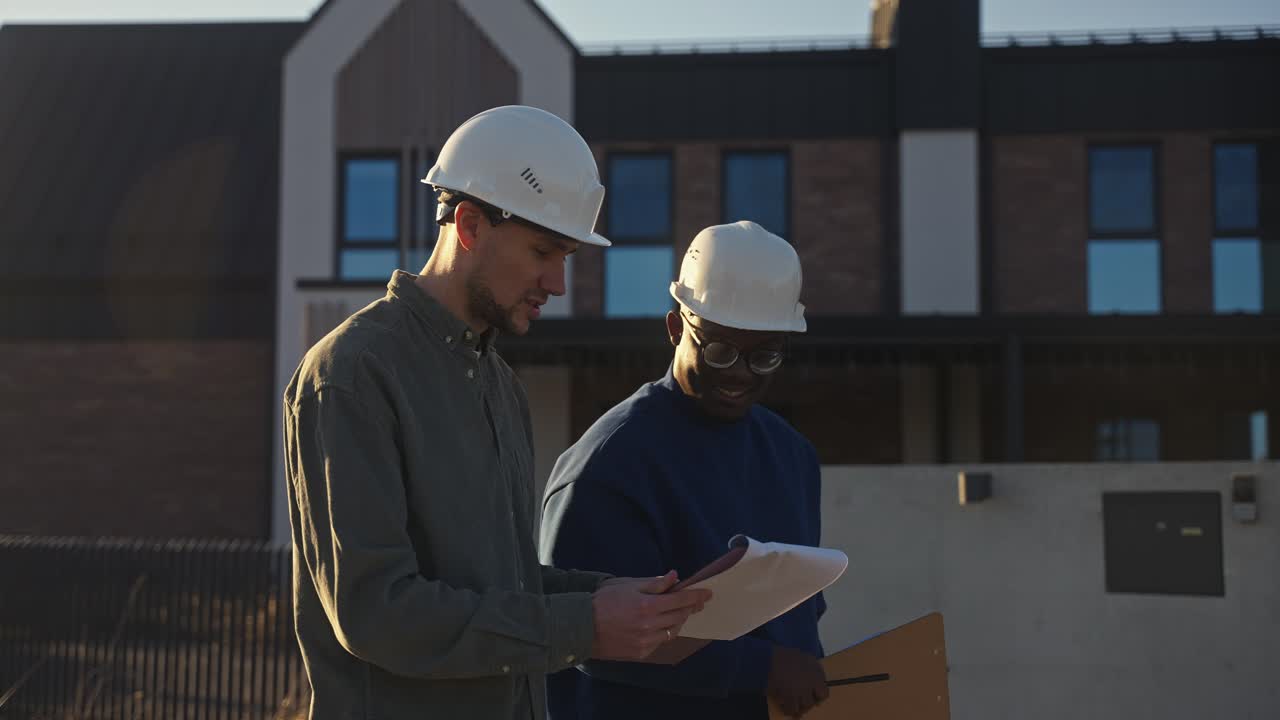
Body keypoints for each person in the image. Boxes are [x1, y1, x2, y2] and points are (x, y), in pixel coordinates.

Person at [282, 105, 710, 720]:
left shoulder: (501, 386)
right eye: (543, 251)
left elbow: (496, 587)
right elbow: (378, 613)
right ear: (470, 224)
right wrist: (582, 624)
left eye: (566, 257)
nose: (557, 283)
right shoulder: (350, 374)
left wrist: (607, 596)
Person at [539, 221, 830, 719]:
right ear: (676, 327)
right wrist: (765, 668)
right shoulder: (611, 463)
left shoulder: (791, 454)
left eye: (764, 356)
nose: (739, 372)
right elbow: (591, 639)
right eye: (719, 350)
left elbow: (798, 622)